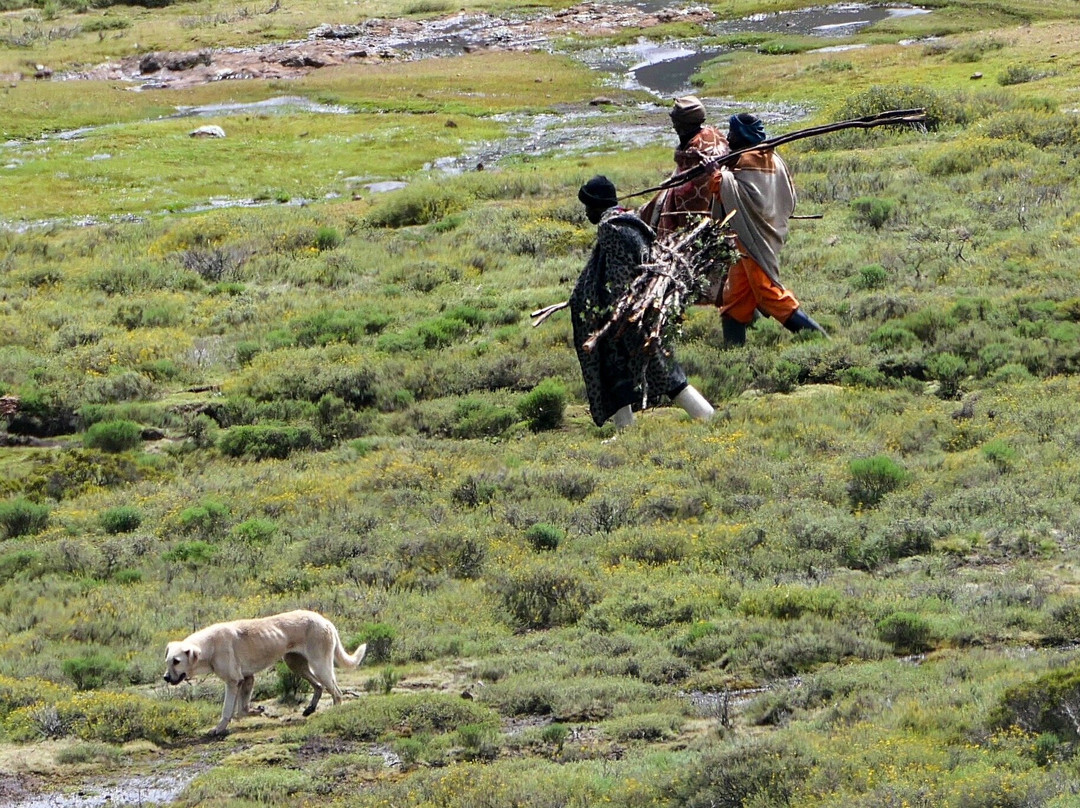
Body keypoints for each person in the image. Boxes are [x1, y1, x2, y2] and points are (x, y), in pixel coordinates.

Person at [570, 176, 715, 430]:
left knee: (663, 371)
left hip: (629, 315)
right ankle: (625, 430)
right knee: (621, 373)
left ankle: (706, 416)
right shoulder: (631, 222)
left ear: (598, 205)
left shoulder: (611, 228)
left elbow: (618, 277)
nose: (586, 213)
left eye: (589, 206)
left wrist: (615, 313)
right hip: (640, 308)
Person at [709, 112, 827, 346]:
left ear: (742, 135)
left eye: (732, 134)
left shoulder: (745, 161)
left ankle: (822, 342)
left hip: (755, 238)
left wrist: (716, 175)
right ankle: (732, 354)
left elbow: (726, 188)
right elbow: (785, 199)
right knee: (735, 299)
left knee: (768, 292)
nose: (729, 139)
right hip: (755, 234)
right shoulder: (773, 157)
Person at [638, 95, 730, 238]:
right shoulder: (714, 136)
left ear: (682, 124)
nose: (674, 126)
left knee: (662, 218)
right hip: (718, 204)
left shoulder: (694, 157)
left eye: (675, 121)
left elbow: (687, 207)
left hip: (701, 215)